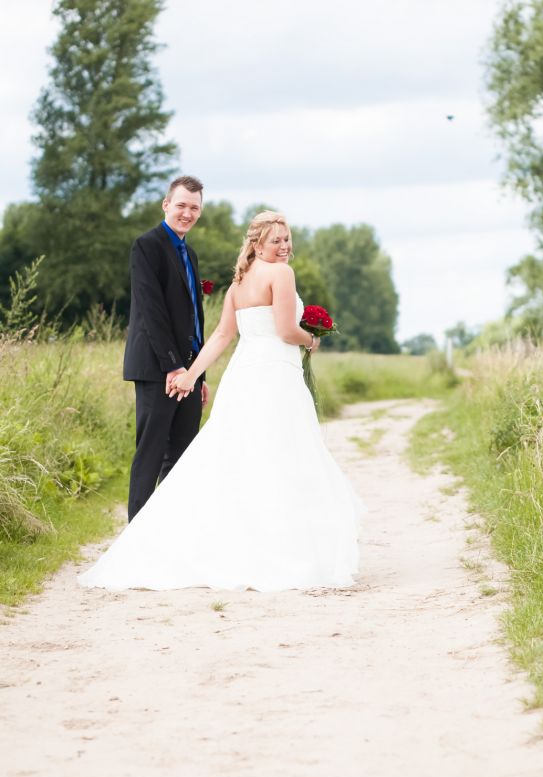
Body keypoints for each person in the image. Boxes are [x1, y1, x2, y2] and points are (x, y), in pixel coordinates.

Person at [78, 211, 361, 592]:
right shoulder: (281, 275)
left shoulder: (238, 285)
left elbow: (221, 337)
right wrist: (312, 340)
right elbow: (284, 330)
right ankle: (280, 552)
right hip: (275, 376)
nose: (284, 246)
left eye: (287, 238)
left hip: (245, 375)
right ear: (257, 244)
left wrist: (190, 375)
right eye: (275, 240)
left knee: (239, 457)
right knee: (282, 457)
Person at [123, 174, 210, 521]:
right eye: (181, 205)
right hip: (157, 370)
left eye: (194, 207)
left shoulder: (190, 253)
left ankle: (167, 538)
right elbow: (151, 311)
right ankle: (135, 543)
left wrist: (199, 374)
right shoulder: (147, 246)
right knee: (151, 454)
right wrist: (173, 367)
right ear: (166, 205)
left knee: (181, 457)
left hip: (188, 373)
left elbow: (195, 319)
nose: (187, 213)